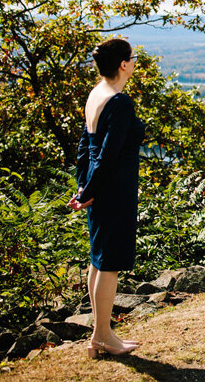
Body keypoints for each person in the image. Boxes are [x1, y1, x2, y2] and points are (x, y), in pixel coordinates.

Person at [68, 38, 145, 358]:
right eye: (132, 57)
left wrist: (84, 188)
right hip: (113, 193)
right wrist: (91, 191)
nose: (134, 61)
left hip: (99, 191)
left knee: (98, 260)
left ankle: (102, 332)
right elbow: (108, 155)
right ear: (124, 65)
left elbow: (86, 150)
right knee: (108, 263)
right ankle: (102, 335)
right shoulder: (119, 102)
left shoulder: (96, 94)